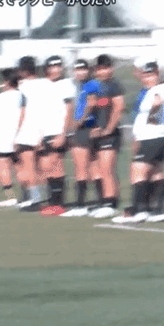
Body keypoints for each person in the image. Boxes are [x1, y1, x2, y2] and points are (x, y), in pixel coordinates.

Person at [112, 60, 164, 224]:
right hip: (158, 137)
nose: (148, 79)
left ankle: (140, 210)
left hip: (153, 137)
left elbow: (157, 107)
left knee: (138, 172)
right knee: (155, 173)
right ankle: (157, 210)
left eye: (151, 75)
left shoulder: (159, 90)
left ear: (158, 74)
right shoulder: (159, 89)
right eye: (145, 76)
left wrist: (153, 115)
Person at [61, 59, 103, 217]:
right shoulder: (82, 86)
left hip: (84, 129)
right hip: (89, 128)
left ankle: (80, 205)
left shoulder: (90, 85)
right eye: (77, 69)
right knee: (93, 167)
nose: (80, 72)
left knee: (80, 168)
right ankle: (100, 203)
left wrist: (79, 122)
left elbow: (91, 104)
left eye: (83, 69)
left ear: (88, 70)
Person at [87, 54, 126, 219]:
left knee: (107, 169)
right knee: (95, 169)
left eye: (106, 68)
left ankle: (110, 203)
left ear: (111, 69)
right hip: (96, 133)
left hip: (109, 134)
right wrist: (92, 127)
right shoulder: (95, 87)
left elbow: (119, 108)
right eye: (100, 69)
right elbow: (91, 110)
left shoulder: (114, 85)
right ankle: (103, 201)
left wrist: (109, 129)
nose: (103, 72)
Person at [37, 56, 76, 216]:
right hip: (47, 131)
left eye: (59, 66)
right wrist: (40, 135)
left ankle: (59, 204)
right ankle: (52, 201)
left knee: (55, 164)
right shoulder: (45, 86)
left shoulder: (66, 84)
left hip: (59, 131)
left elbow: (69, 109)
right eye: (53, 66)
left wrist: (63, 133)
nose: (57, 69)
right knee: (46, 166)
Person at [15, 56, 52, 212]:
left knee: (29, 168)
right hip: (46, 129)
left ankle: (35, 200)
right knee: (44, 168)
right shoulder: (47, 83)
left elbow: (22, 112)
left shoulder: (23, 87)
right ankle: (49, 199)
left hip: (28, 130)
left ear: (23, 71)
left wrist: (16, 133)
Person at [0, 68, 25, 207]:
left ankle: (10, 198)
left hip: (1, 136)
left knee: (2, 166)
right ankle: (27, 196)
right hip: (19, 134)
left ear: (7, 81)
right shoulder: (22, 96)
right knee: (20, 166)